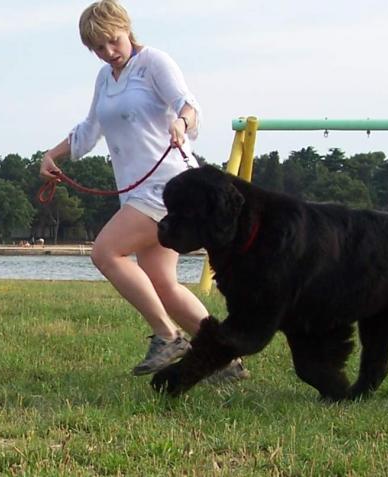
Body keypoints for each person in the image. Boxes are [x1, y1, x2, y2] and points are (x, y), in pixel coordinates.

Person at [40, 0, 248, 381]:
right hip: (136, 192)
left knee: (105, 252)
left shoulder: (154, 62)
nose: (107, 53)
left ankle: (169, 337)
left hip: (168, 187)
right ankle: (224, 358)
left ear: (126, 28)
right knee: (162, 284)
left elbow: (189, 105)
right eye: (98, 48)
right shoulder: (105, 78)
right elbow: (89, 130)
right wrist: (53, 154)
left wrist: (182, 124)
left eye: (112, 41)